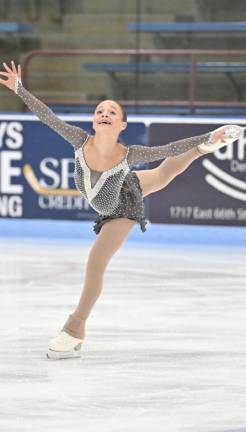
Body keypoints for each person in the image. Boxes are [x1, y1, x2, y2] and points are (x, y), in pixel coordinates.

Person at [0, 61, 244, 360]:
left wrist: (207, 137)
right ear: (94, 120)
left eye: (112, 112)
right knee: (162, 176)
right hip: (121, 186)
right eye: (100, 110)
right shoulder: (78, 140)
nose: (104, 113)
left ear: (122, 125)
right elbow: (47, 117)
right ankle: (204, 150)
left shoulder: (129, 154)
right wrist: (19, 89)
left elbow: (169, 148)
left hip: (122, 206)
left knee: (96, 260)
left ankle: (75, 328)